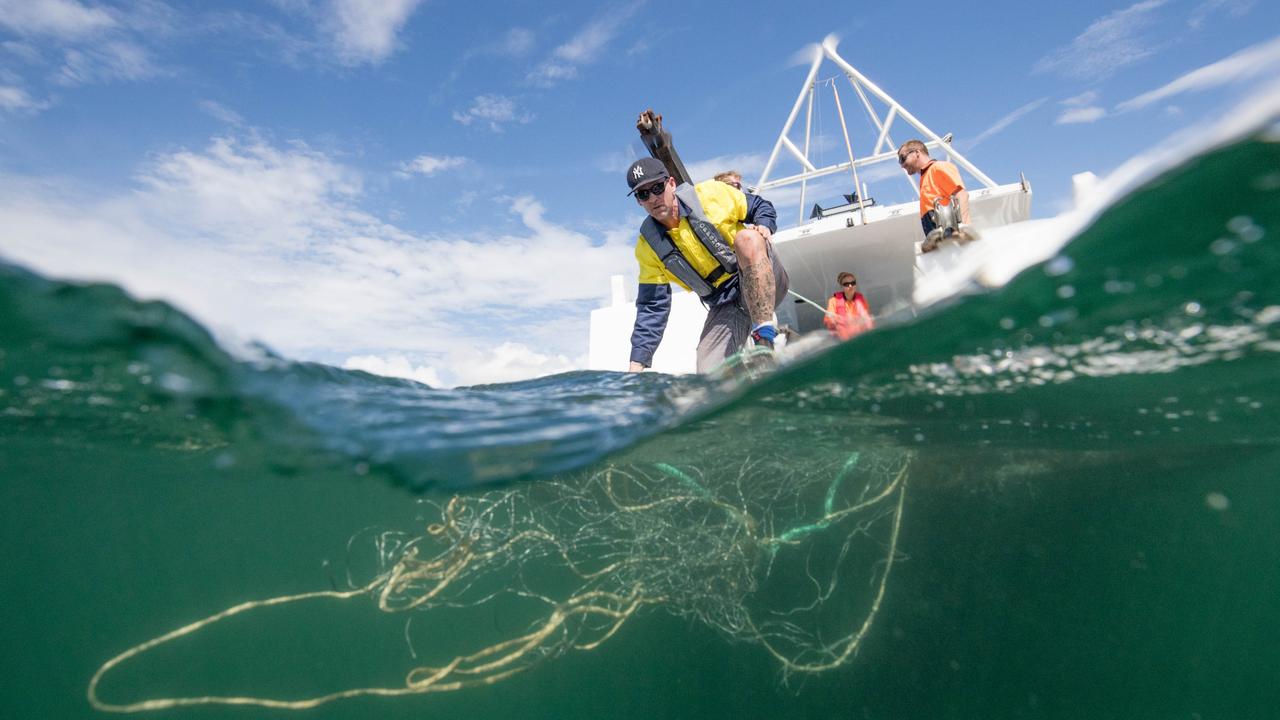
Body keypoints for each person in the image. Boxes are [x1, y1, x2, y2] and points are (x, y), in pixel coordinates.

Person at [625, 157, 789, 373]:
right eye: (644, 194)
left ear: (672, 184)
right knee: (710, 374)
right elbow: (652, 307)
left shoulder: (712, 194)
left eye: (657, 187)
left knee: (747, 239)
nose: (653, 198)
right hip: (727, 304)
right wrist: (636, 364)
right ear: (639, 201)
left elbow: (759, 206)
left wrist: (765, 225)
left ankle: (764, 339)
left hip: (763, 278)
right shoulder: (648, 248)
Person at [897, 139, 970, 240]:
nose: (902, 165)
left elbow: (962, 195)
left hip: (953, 239)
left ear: (917, 152)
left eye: (902, 158)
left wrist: (962, 230)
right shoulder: (925, 177)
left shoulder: (938, 167)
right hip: (943, 242)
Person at [823, 272, 875, 341]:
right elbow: (828, 320)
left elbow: (866, 318)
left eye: (853, 283)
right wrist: (836, 320)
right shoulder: (833, 301)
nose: (850, 286)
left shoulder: (860, 300)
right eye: (846, 284)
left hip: (860, 337)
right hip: (841, 341)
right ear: (842, 286)